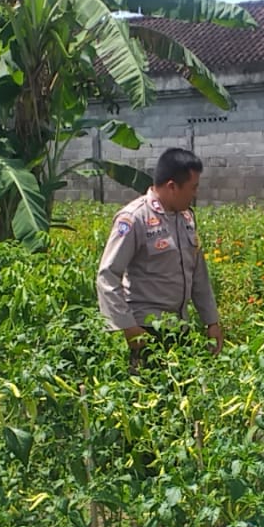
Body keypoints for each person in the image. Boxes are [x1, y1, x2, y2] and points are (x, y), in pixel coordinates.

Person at [97, 148, 224, 369]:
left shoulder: (186, 218)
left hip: (180, 328)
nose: (195, 194)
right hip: (146, 331)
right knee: (148, 397)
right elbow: (107, 276)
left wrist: (211, 321)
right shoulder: (135, 218)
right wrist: (129, 329)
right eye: (192, 188)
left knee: (183, 395)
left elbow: (199, 276)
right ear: (172, 186)